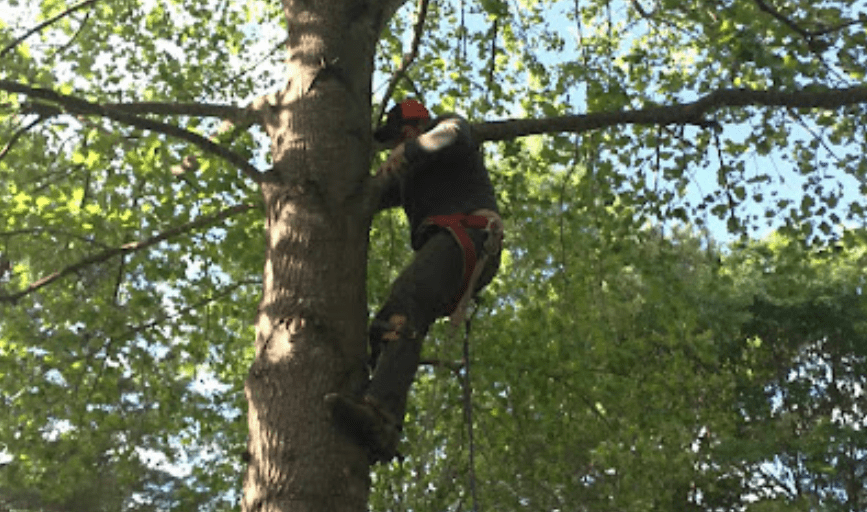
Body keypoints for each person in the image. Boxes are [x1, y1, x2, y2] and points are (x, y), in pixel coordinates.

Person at [326, 99, 503, 463]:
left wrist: (410, 150)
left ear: (411, 129)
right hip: (449, 246)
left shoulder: (447, 131)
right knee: (391, 323)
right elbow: (366, 199)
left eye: (397, 137)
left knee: (405, 302)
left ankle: (381, 414)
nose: (394, 146)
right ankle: (376, 408)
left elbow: (451, 135)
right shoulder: (409, 178)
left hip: (468, 236)